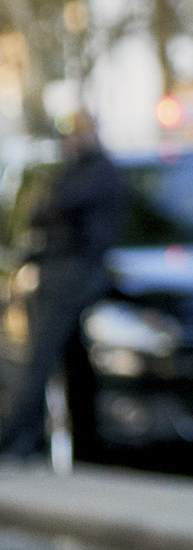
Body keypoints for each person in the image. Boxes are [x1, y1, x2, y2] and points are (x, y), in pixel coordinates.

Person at [0, 110, 127, 460]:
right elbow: (39, 212)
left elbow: (54, 206)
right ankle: (68, 445)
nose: (71, 141)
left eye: (78, 134)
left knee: (41, 360)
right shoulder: (76, 171)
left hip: (73, 276)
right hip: (62, 273)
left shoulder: (97, 173)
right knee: (68, 363)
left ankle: (18, 440)